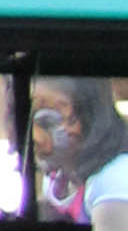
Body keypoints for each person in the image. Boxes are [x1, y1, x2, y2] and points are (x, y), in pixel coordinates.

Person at [29, 76, 128, 222]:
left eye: (47, 122)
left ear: (89, 120)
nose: (35, 137)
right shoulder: (57, 179)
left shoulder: (114, 180)